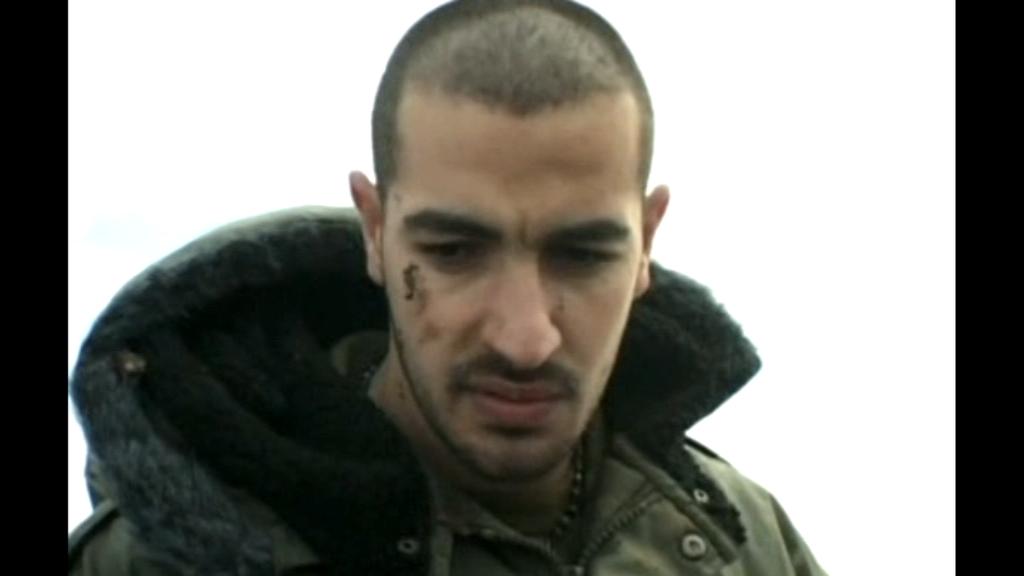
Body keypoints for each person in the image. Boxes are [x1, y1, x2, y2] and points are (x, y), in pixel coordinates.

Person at [68, 0, 829, 574]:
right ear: (375, 231)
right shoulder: (148, 562)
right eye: (456, 251)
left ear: (646, 246)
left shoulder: (746, 542)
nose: (525, 339)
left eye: (582, 255)